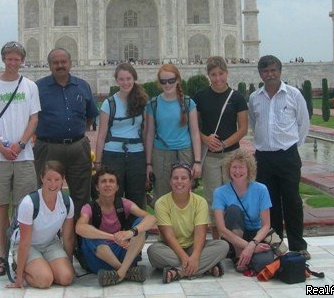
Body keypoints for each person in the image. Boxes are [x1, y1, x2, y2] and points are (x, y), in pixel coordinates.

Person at [0, 41, 41, 277]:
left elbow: (34, 119)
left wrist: (21, 143)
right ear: (3, 59)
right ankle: (2, 257)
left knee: (23, 208)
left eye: (17, 59)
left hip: (24, 155)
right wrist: (1, 146)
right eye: (9, 58)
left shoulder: (29, 86)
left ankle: (20, 255)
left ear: (22, 61)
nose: (13, 63)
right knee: (2, 207)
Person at [248, 55, 310, 258]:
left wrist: (291, 146)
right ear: (260, 74)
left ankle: (298, 246)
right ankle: (277, 248)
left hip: (287, 156)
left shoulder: (293, 95)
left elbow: (303, 124)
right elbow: (253, 124)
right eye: (265, 71)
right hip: (264, 158)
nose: (270, 74)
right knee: (269, 204)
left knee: (292, 201)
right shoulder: (255, 98)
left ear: (280, 71)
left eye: (273, 70)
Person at [34, 48, 99, 220]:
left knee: (81, 195)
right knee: (47, 194)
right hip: (49, 147)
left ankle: (79, 241)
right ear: (49, 66)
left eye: (63, 62)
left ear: (70, 63)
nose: (60, 65)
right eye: (56, 63)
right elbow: (31, 118)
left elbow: (90, 117)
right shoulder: (38, 88)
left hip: (78, 147)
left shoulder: (82, 86)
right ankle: (49, 240)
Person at [147, 162, 229, 283]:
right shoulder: (162, 203)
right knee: (153, 252)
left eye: (184, 178)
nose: (179, 181)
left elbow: (201, 233)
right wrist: (185, 259)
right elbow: (168, 236)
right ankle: (205, 268)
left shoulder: (200, 202)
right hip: (170, 248)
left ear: (190, 182)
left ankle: (178, 272)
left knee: (223, 246)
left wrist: (195, 256)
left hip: (194, 247)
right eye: (175, 178)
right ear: (170, 181)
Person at [75, 166, 156, 287]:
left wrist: (131, 232)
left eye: (111, 181)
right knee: (88, 233)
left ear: (117, 187)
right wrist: (113, 237)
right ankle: (126, 272)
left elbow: (151, 218)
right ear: (97, 187)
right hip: (100, 258)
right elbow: (79, 228)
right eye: (103, 181)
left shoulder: (124, 204)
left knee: (140, 225)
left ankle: (118, 274)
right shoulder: (89, 207)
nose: (107, 184)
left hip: (124, 255)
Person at [193, 56, 248, 218]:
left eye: (221, 74)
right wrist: (205, 139)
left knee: (234, 196)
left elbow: (243, 128)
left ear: (227, 73)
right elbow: (194, 126)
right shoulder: (201, 97)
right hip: (210, 157)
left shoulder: (236, 97)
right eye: (214, 74)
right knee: (213, 199)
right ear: (208, 76)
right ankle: (218, 240)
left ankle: (233, 238)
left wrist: (224, 144)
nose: (218, 78)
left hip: (231, 155)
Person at [7, 160, 75, 289]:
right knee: (44, 280)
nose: (53, 184)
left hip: (50, 243)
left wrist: (69, 264)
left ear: (63, 180)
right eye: (49, 179)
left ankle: (43, 266)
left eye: (57, 179)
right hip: (28, 245)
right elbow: (25, 242)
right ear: (42, 178)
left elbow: (68, 238)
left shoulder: (67, 202)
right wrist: (19, 278)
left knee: (66, 278)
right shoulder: (29, 203)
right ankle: (19, 268)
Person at [145, 64, 202, 204]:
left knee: (185, 196)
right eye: (163, 81)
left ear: (177, 80)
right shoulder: (153, 104)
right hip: (160, 155)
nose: (167, 84)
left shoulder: (188, 103)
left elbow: (195, 133)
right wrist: (148, 163)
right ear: (159, 82)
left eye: (171, 80)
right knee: (162, 196)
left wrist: (198, 161)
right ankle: (164, 226)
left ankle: (185, 226)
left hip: (184, 153)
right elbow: (149, 135)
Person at [94, 63, 148, 209]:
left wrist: (148, 161)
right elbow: (101, 135)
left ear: (134, 79)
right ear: (117, 81)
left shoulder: (142, 102)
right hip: (112, 155)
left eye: (128, 79)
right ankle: (113, 230)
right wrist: (98, 163)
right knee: (112, 196)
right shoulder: (109, 103)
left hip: (136, 155)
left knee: (136, 196)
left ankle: (136, 230)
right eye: (122, 79)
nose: (125, 83)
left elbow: (145, 132)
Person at [212, 148, 275, 273]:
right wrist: (249, 247)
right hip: (233, 236)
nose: (237, 171)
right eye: (234, 167)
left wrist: (253, 245)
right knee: (234, 210)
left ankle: (248, 257)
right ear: (228, 169)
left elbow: (266, 225)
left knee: (263, 263)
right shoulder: (220, 192)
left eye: (241, 167)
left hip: (255, 236)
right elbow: (222, 229)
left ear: (249, 169)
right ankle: (238, 255)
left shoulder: (261, 189)